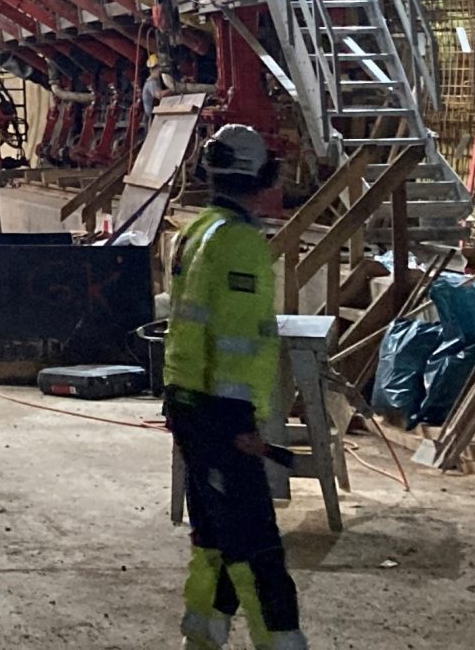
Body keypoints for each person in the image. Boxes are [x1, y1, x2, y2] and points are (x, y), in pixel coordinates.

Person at [164, 124, 304, 649]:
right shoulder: (240, 242)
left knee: (213, 538)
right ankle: (282, 642)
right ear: (264, 176)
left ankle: (201, 636)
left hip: (187, 400)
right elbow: (235, 334)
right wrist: (240, 424)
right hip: (222, 412)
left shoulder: (194, 231)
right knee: (255, 544)